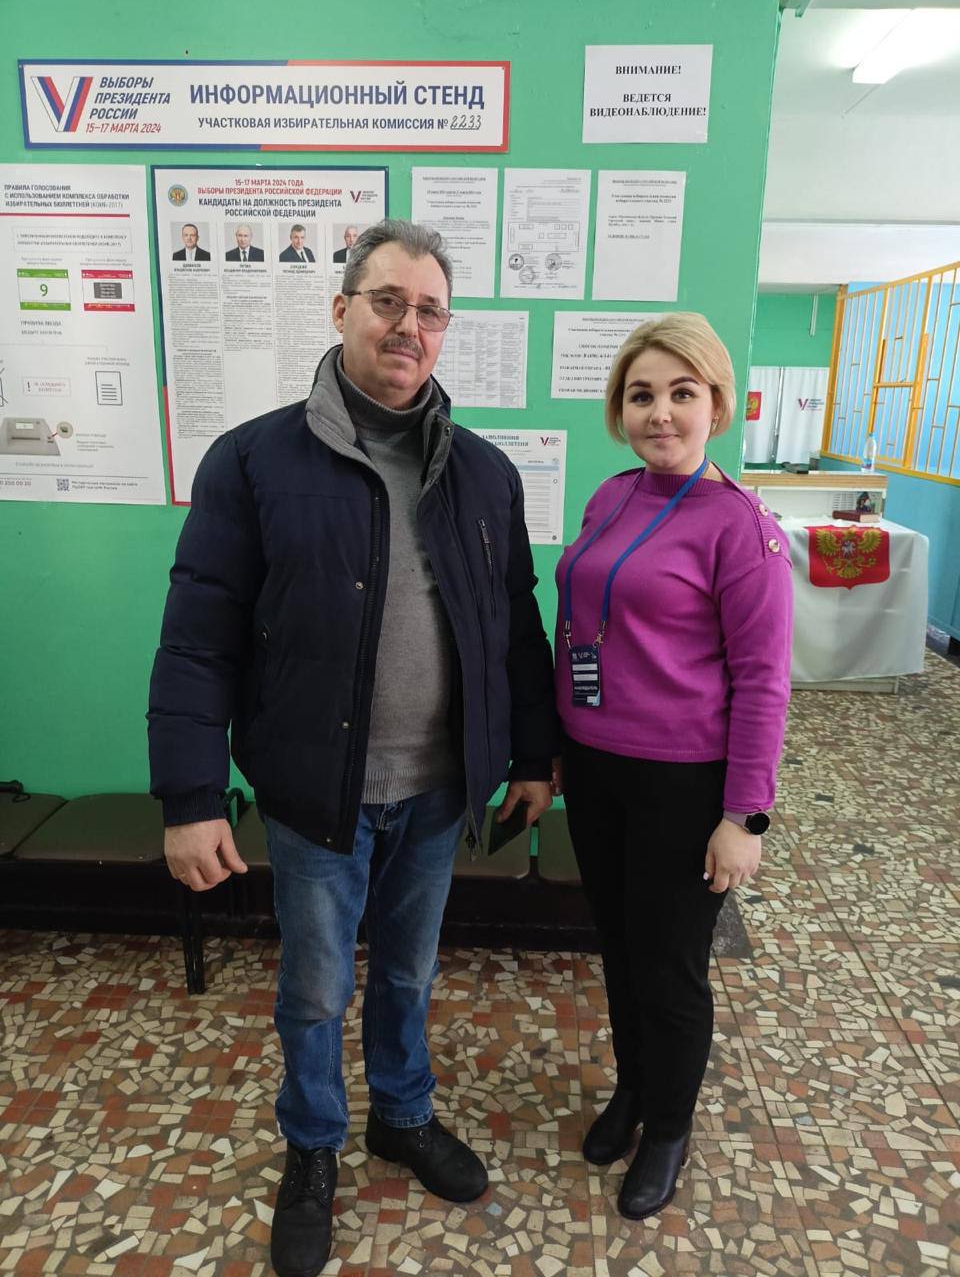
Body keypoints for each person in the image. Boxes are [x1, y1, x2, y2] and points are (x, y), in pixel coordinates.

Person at [148, 218, 558, 1277]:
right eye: (387, 301)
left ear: (445, 329)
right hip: (315, 791)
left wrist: (531, 755)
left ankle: (402, 1114)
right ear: (341, 310)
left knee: (410, 974)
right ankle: (315, 1142)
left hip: (439, 789)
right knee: (316, 988)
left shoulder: (485, 473)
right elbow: (197, 638)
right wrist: (190, 798)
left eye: (430, 310)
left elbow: (516, 626)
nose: (408, 325)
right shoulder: (253, 460)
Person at [553, 313, 792, 1221]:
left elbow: (764, 680)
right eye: (642, 394)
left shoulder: (742, 528)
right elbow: (581, 629)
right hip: (597, 769)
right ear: (620, 409)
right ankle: (635, 1088)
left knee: (671, 965)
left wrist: (745, 817)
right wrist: (561, 744)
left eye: (681, 393)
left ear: (716, 405)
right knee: (619, 947)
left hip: (684, 785)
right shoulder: (610, 496)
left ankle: (669, 1128)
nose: (660, 413)